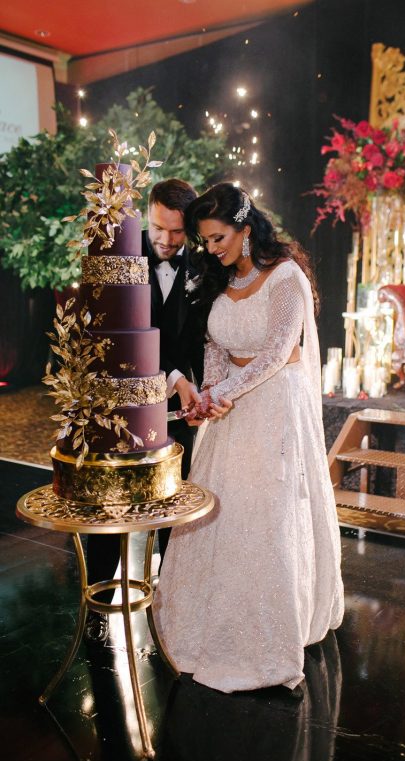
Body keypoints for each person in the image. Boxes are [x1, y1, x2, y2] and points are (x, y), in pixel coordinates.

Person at [153, 182, 344, 692]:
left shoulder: (286, 276)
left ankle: (269, 633)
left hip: (275, 405)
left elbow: (279, 351)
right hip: (231, 410)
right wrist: (208, 394)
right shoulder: (220, 278)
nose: (211, 248)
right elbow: (215, 344)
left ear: (245, 227)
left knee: (265, 513)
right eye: (205, 240)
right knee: (219, 512)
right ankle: (206, 621)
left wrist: (223, 393)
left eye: (218, 238)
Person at [84, 179, 205, 645]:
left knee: (174, 498)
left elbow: (201, 336)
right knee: (111, 502)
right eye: (159, 228)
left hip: (178, 409)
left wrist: (199, 389)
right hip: (122, 403)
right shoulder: (120, 255)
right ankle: (96, 602)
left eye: (177, 232)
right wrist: (175, 377)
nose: (167, 240)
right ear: (148, 214)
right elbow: (117, 334)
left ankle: (171, 602)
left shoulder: (202, 265)